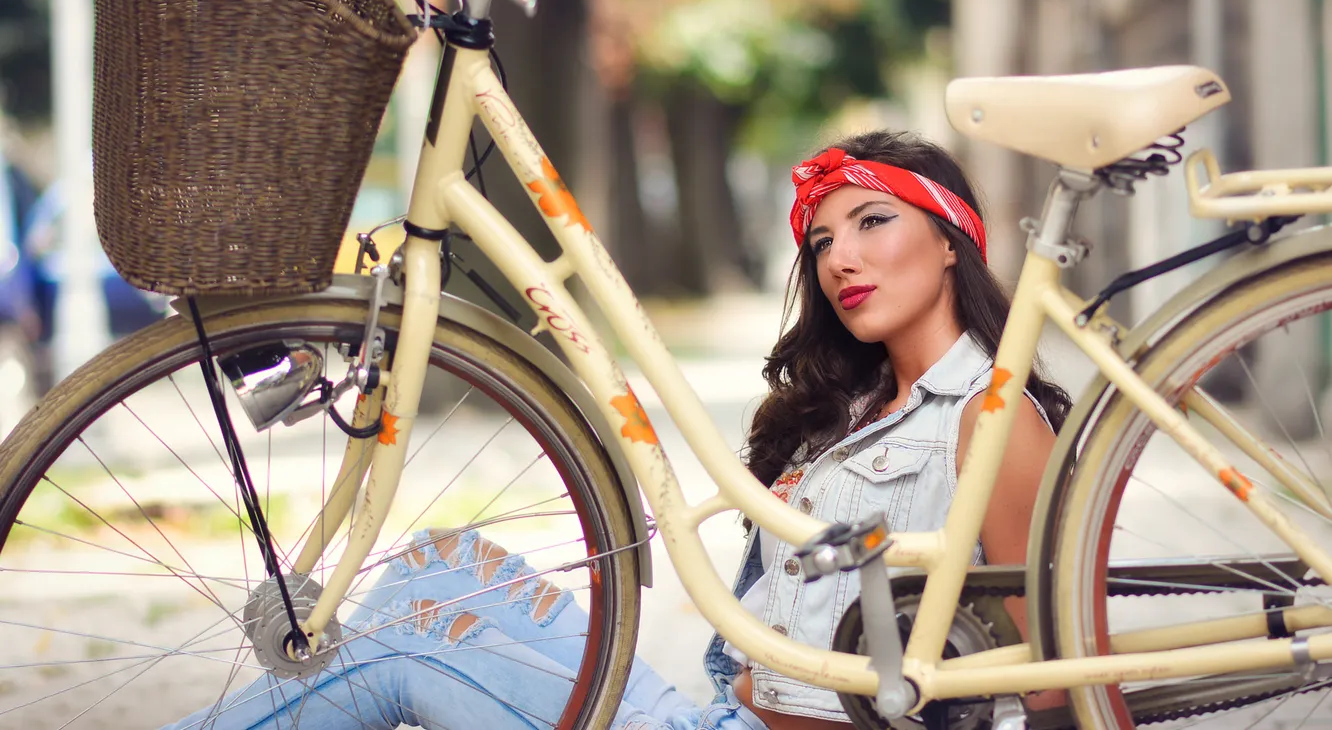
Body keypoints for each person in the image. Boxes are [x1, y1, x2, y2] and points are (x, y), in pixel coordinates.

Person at [166, 130, 1069, 730]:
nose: (841, 258)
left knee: (413, 646)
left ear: (952, 240)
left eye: (873, 222)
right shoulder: (854, 408)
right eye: (823, 241)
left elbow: (1057, 682)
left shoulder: (993, 423)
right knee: (439, 565)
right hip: (715, 715)